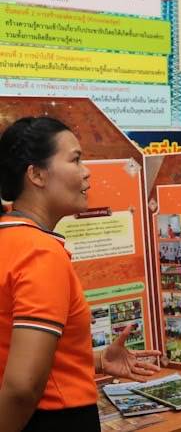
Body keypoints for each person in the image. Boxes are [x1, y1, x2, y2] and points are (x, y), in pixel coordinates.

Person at [0, 117, 162, 432]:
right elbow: (22, 387)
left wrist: (97, 360)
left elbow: (16, 351)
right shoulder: (40, 252)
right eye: (75, 160)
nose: (86, 172)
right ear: (36, 175)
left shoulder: (10, 239)